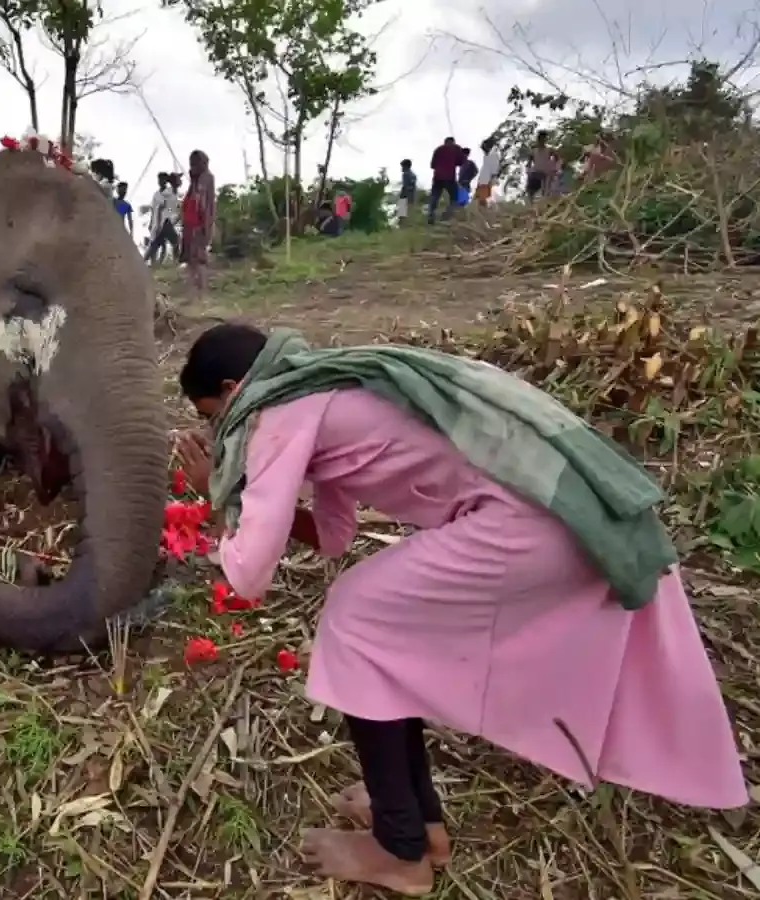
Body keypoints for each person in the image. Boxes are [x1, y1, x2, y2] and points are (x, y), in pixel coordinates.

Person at [173, 322, 747, 896]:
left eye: (211, 417)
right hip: (540, 511)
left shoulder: (275, 413)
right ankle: (415, 821)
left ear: (233, 389)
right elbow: (333, 535)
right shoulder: (325, 387)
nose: (216, 431)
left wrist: (214, 491)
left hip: (525, 521)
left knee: (355, 617)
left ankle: (400, 850)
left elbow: (248, 574)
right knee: (371, 630)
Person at [180, 150, 216, 296]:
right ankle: (194, 292)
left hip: (199, 225)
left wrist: (206, 226)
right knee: (190, 259)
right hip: (190, 225)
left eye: (194, 164)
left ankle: (201, 293)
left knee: (199, 259)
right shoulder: (195, 182)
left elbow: (204, 204)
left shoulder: (206, 178)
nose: (192, 167)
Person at [145, 173, 181, 265]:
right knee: (174, 241)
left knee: (155, 244)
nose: (162, 181)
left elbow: (173, 207)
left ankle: (144, 262)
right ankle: (175, 262)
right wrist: (154, 223)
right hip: (163, 221)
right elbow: (156, 209)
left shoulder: (171, 192)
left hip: (164, 221)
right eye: (160, 179)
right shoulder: (162, 194)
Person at [425, 137, 458, 224]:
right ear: (453, 142)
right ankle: (447, 216)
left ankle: (431, 216)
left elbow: (432, 165)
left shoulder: (438, 149)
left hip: (438, 177)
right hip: (450, 177)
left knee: (434, 196)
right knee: (454, 197)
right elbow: (461, 162)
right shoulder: (455, 149)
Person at [527, 131, 555, 200]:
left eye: (544, 139)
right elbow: (529, 163)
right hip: (536, 172)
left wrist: (553, 169)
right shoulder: (534, 150)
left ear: (545, 140)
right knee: (530, 190)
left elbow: (557, 159)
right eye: (541, 139)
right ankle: (532, 203)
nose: (542, 141)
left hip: (546, 173)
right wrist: (529, 172)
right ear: (538, 139)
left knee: (546, 191)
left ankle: (545, 200)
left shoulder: (549, 149)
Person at [474, 138, 501, 205]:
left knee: (482, 200)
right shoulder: (488, 156)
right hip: (483, 180)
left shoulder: (493, 155)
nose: (483, 150)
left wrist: (493, 179)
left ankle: (486, 210)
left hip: (486, 181)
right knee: (480, 200)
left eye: (484, 147)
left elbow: (494, 170)